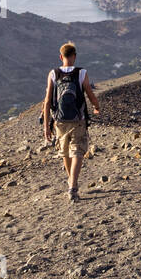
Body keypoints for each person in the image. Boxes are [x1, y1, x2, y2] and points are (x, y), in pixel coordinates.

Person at [42, 42, 100, 201]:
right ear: (74, 56)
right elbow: (90, 94)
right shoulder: (81, 73)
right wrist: (96, 106)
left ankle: (71, 182)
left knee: (66, 152)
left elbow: (47, 101)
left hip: (59, 120)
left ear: (61, 57)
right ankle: (73, 186)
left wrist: (46, 127)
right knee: (78, 151)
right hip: (78, 119)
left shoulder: (53, 74)